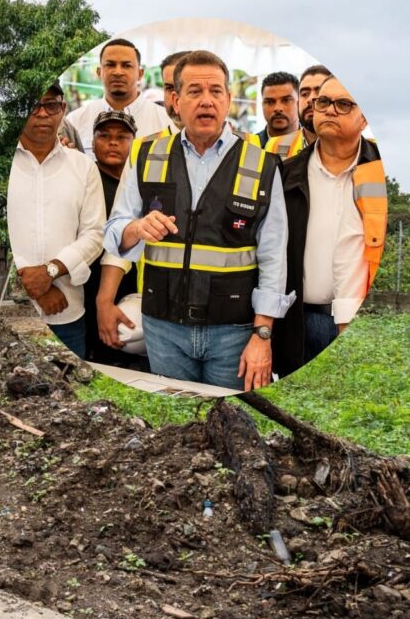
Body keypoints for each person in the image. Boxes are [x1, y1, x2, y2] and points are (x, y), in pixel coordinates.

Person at [103, 50, 293, 391]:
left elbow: (273, 256)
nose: (206, 101)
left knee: (229, 422)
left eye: (215, 91)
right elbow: (114, 230)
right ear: (176, 100)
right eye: (195, 91)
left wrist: (262, 334)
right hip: (163, 328)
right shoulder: (148, 156)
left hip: (232, 332)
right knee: (177, 426)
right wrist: (135, 229)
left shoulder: (260, 164)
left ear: (229, 99)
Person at [273, 76, 386, 377]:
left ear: (364, 119)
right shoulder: (285, 173)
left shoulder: (379, 174)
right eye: (324, 102)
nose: (330, 110)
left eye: (344, 104)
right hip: (295, 321)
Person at [8, 83, 106, 358]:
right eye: (32, 106)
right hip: (7, 317)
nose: (42, 114)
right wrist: (36, 288)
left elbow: (95, 234)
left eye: (51, 105)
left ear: (62, 110)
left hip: (66, 314)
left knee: (68, 394)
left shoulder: (83, 167)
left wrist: (50, 271)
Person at [80, 111, 143, 365]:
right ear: (92, 142)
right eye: (104, 136)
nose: (113, 142)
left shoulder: (141, 184)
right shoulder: (85, 181)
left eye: (122, 137)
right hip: (90, 288)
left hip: (130, 289)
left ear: (133, 143)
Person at [66, 38, 173, 157]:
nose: (118, 72)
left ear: (140, 74)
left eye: (126, 65)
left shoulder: (166, 122)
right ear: (99, 72)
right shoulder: (75, 121)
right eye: (110, 65)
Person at [266, 65, 331, 160]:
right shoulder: (274, 146)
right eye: (305, 94)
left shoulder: (352, 147)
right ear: (297, 104)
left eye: (319, 91)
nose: (310, 99)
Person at [256, 71, 300, 146]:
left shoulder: (317, 146)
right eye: (270, 102)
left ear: (299, 103)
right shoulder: (248, 147)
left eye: (286, 100)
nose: (278, 108)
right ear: (262, 105)